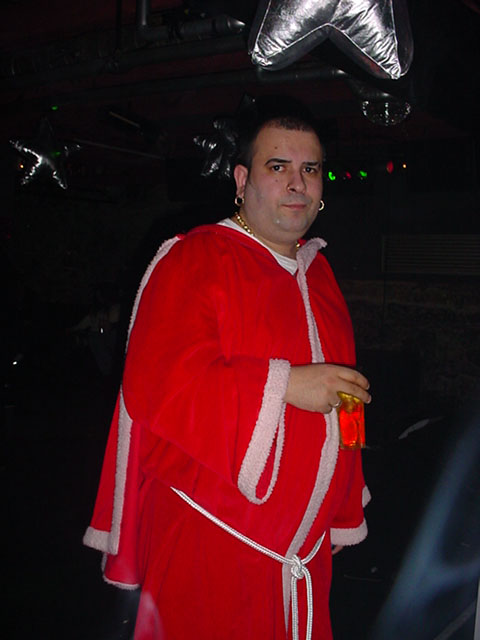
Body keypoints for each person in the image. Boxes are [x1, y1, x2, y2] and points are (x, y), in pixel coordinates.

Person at [84, 102, 372, 640]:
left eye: (310, 169)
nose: (297, 183)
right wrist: (287, 384)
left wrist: (339, 509)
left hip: (303, 557)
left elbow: (344, 397)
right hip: (210, 548)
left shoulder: (321, 275)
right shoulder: (195, 258)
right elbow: (160, 384)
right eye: (277, 166)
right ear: (241, 181)